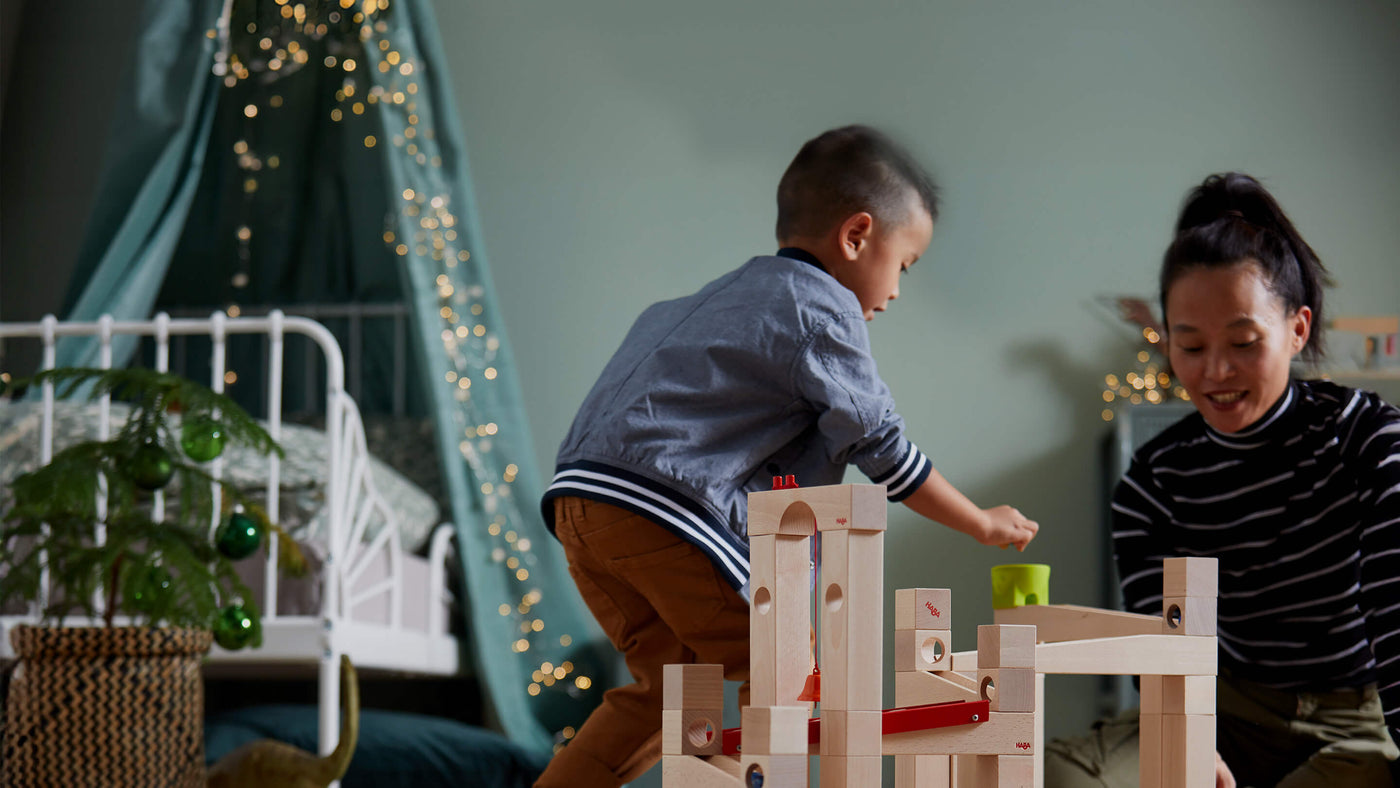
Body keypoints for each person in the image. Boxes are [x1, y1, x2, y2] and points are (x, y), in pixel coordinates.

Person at [533, 125, 1040, 788]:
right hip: (664, 514)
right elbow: (881, 447)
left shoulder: (711, 301)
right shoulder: (824, 312)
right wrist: (978, 520)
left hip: (582, 510)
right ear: (857, 236)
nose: (896, 291)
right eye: (904, 265)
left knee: (668, 697)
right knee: (785, 665)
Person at [1046, 172, 1400, 788]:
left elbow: (1396, 613)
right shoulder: (1153, 480)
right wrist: (1185, 735)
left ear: (1298, 329)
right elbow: (1157, 640)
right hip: (1223, 714)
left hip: (1354, 723)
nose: (1215, 372)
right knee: (1062, 773)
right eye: (1190, 346)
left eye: (1243, 342)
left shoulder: (1367, 439)